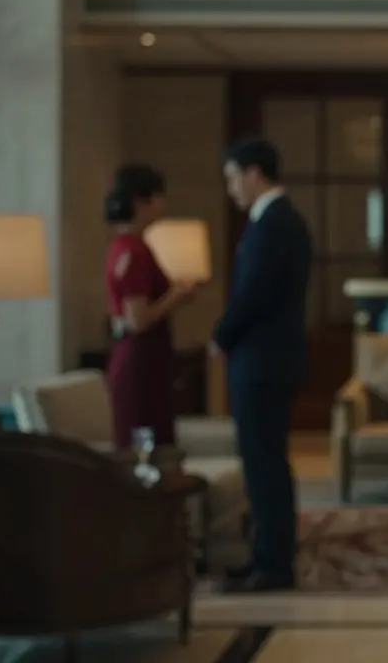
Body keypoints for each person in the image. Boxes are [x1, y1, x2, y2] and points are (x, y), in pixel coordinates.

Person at [211, 136, 312, 593]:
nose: (231, 188)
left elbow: (253, 293)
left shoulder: (275, 223)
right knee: (265, 462)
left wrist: (221, 335)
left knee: (264, 464)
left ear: (254, 173)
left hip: (263, 363)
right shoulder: (277, 220)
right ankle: (266, 556)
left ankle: (273, 564)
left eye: (233, 178)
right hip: (269, 360)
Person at [103, 165, 202, 451]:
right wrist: (177, 296)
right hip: (140, 363)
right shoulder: (134, 251)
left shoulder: (123, 246)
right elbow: (138, 319)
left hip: (142, 359)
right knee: (145, 447)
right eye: (159, 197)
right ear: (141, 202)